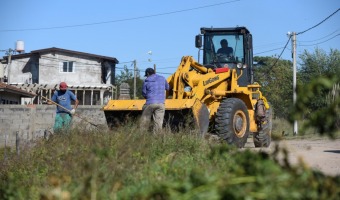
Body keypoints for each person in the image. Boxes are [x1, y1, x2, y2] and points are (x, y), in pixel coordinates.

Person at [140, 68, 169, 133]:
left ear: (147, 74)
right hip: (161, 104)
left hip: (150, 103)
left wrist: (148, 97)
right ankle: (157, 137)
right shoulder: (162, 78)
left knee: (145, 120)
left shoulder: (146, 81)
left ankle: (142, 135)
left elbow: (144, 93)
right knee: (158, 122)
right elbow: (167, 87)